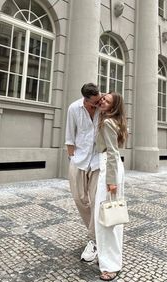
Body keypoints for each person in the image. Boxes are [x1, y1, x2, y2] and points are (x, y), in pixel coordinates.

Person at [65, 83, 102, 262]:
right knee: (80, 198)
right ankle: (96, 231)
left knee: (96, 200)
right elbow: (69, 136)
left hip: (98, 161)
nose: (98, 104)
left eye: (99, 99)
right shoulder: (74, 108)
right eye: (94, 102)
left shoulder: (103, 108)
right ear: (86, 101)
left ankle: (95, 239)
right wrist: (71, 158)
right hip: (79, 160)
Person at [94, 92, 128, 281]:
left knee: (106, 218)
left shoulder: (107, 123)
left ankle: (111, 265)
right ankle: (108, 258)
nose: (102, 101)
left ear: (113, 106)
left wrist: (111, 181)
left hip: (110, 168)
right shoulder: (115, 120)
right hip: (112, 168)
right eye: (103, 98)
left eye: (106, 100)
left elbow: (113, 153)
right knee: (109, 217)